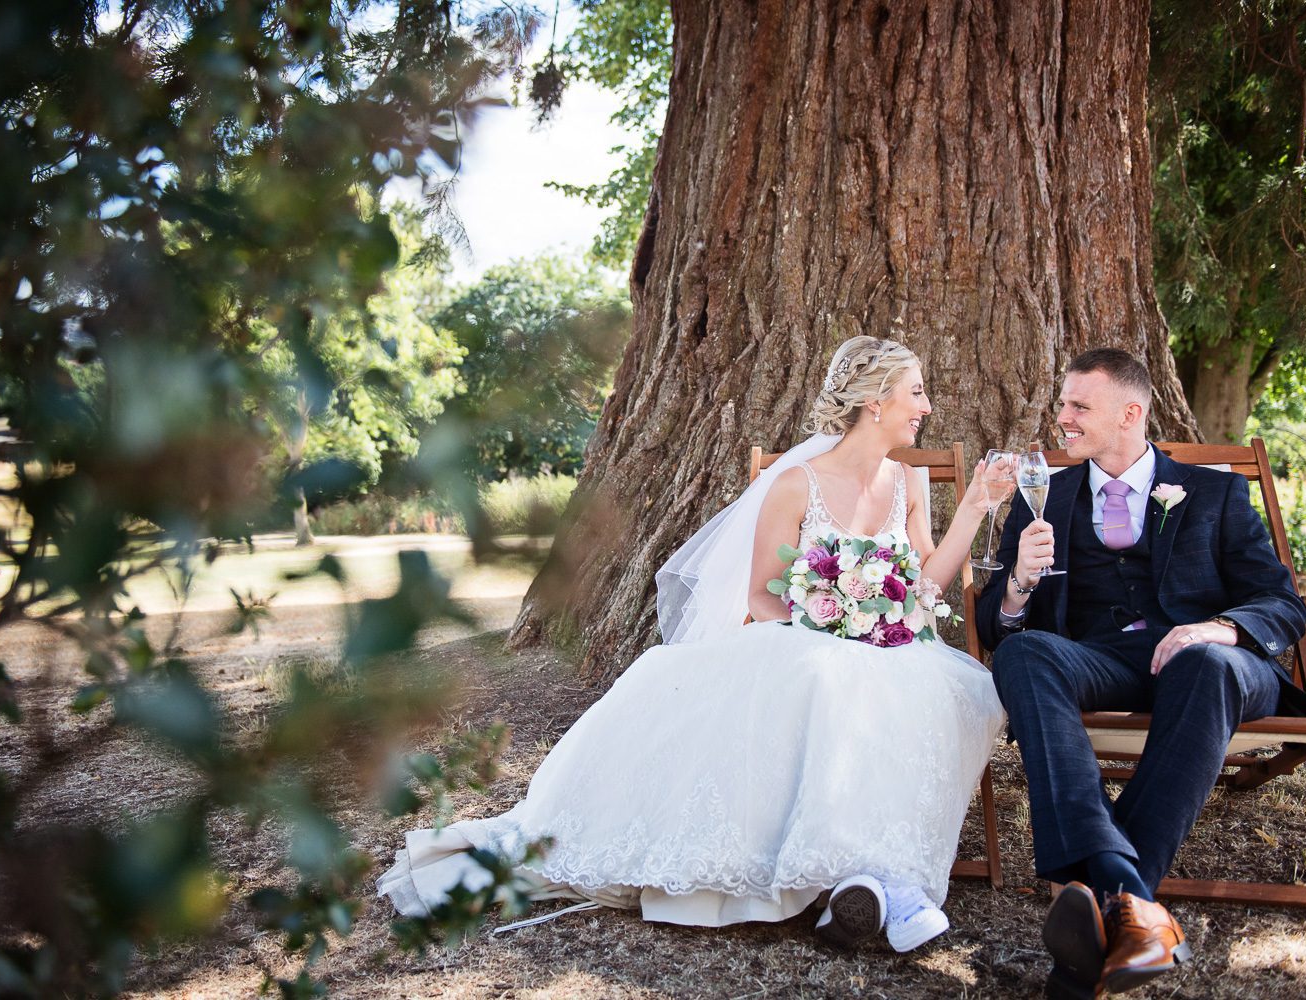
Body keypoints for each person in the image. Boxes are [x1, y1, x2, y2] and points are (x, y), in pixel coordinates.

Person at [378, 336, 1006, 952]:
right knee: (828, 677)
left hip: (891, 644)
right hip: (803, 639)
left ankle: (875, 880)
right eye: (916, 393)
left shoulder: (908, 483)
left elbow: (926, 579)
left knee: (947, 687)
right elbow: (762, 597)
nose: (926, 406)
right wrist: (834, 625)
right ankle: (865, 881)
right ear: (875, 402)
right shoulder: (796, 485)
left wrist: (973, 510)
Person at [974, 348, 1306, 997]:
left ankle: (1102, 907)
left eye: (1080, 406)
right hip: (1100, 659)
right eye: (1064, 402)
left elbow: (1281, 602)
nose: (1063, 417)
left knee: (1204, 663)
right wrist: (1019, 581)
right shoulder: (1045, 496)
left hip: (1212, 668)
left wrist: (1220, 628)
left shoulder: (1216, 492)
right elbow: (998, 628)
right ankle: (1130, 899)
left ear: (1130, 412)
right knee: (1026, 654)